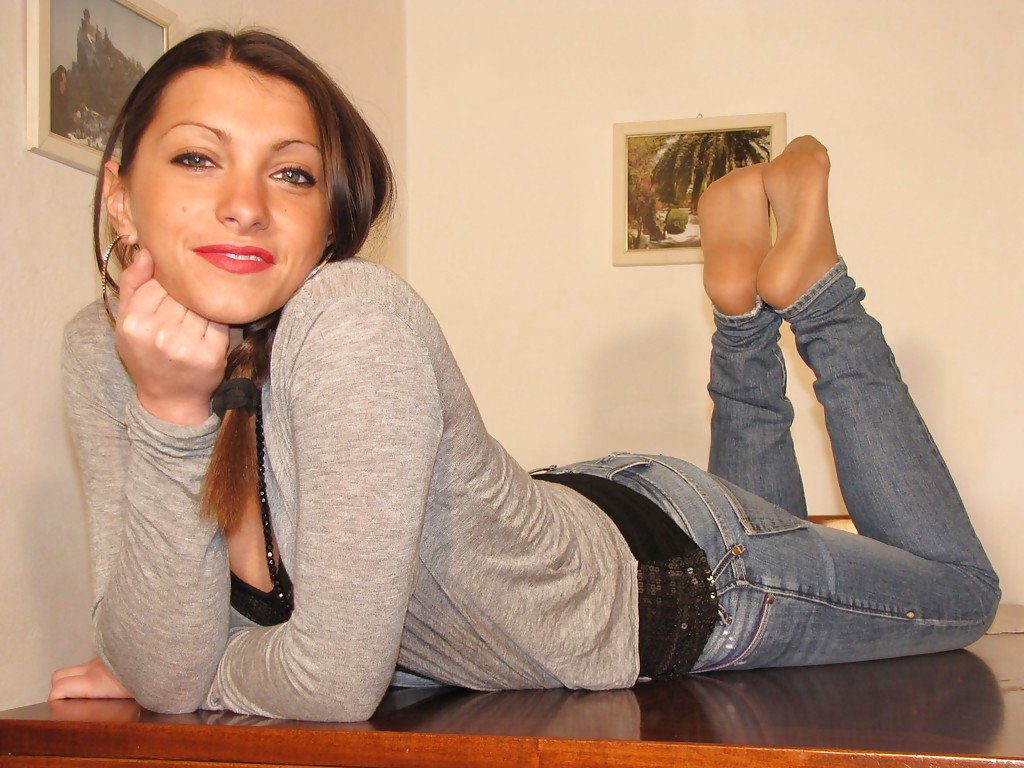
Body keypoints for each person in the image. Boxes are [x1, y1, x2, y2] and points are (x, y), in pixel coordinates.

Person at [49, 29, 1000, 722]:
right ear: (121, 196)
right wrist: (167, 409)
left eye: (291, 173)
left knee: (962, 594)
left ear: (328, 217)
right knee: (778, 517)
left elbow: (317, 684)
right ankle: (741, 311)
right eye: (197, 159)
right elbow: (164, 659)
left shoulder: (350, 320)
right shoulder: (104, 352)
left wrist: (200, 674)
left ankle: (817, 292)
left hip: (682, 577)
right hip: (585, 520)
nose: (245, 205)